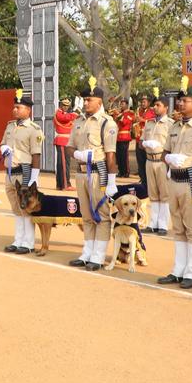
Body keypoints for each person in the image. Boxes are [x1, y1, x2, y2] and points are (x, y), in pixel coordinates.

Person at [157, 77, 192, 289]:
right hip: (175, 181)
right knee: (178, 227)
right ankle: (177, 269)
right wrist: (168, 159)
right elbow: (165, 152)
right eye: (180, 100)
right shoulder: (174, 126)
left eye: (186, 101)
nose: (180, 104)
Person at [66, 77, 119, 271]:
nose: (85, 103)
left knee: (102, 215)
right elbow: (69, 147)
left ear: (99, 101)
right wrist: (77, 153)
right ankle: (87, 251)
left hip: (99, 172)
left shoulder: (107, 123)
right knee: (86, 215)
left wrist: (112, 181)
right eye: (84, 100)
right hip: (80, 173)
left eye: (89, 100)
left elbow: (111, 154)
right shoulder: (79, 121)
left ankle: (98, 255)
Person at [0, 89, 44, 254]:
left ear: (28, 110)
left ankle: (28, 242)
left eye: (18, 107)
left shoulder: (34, 129)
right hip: (10, 173)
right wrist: (3, 148)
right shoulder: (10, 126)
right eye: (15, 107)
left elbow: (36, 154)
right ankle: (18, 239)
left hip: (24, 173)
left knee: (26, 208)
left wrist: (34, 178)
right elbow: (2, 142)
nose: (15, 110)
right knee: (15, 208)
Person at [139, 88, 172, 235]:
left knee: (164, 193)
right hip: (149, 160)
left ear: (166, 107)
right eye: (154, 105)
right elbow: (141, 142)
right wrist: (146, 144)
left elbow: (173, 144)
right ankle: (153, 223)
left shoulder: (170, 124)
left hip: (162, 161)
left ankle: (163, 224)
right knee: (152, 193)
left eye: (158, 105)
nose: (155, 107)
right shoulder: (149, 123)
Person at [52, 97, 79, 190]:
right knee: (64, 164)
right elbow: (65, 118)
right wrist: (76, 113)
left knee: (62, 163)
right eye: (64, 105)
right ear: (61, 105)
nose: (66, 107)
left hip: (65, 141)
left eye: (67, 106)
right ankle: (65, 184)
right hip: (62, 140)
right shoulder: (59, 113)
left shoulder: (65, 113)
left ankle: (60, 184)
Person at [132, 97, 151, 185]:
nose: (142, 104)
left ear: (148, 103)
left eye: (144, 102)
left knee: (146, 161)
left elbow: (153, 121)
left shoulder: (151, 111)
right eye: (142, 102)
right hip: (138, 139)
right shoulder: (139, 111)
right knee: (140, 161)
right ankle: (142, 178)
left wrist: (143, 120)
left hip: (146, 139)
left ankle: (147, 180)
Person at [115, 99, 135, 178]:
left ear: (127, 105)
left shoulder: (130, 113)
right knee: (119, 156)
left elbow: (125, 122)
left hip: (125, 136)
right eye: (121, 104)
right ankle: (120, 171)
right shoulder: (121, 113)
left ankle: (126, 172)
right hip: (118, 137)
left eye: (123, 104)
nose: (121, 106)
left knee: (124, 156)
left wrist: (119, 116)